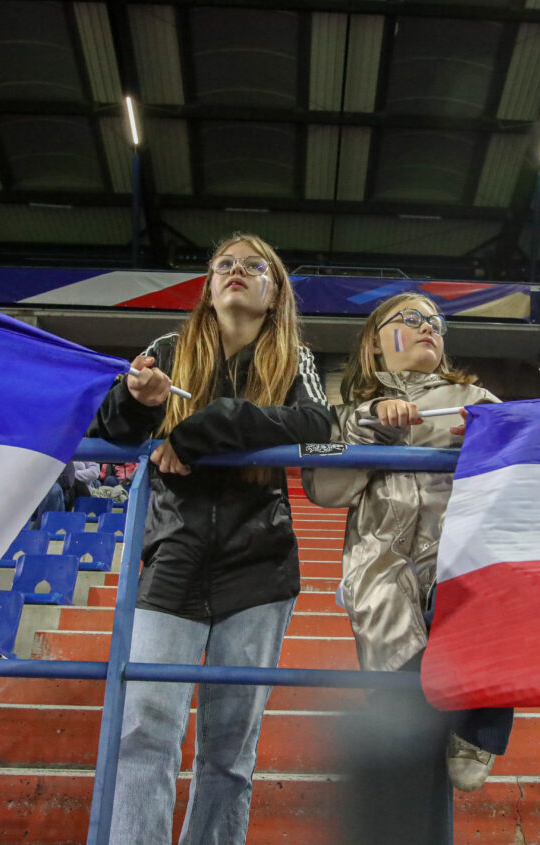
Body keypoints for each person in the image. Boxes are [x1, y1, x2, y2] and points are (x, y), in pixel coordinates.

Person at [90, 233, 333, 845]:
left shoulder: (293, 355)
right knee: (144, 732)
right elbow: (110, 426)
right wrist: (138, 402)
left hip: (259, 566)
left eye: (255, 266)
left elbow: (320, 428)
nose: (236, 272)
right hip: (172, 558)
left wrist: (217, 424)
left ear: (274, 291)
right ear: (209, 283)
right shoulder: (169, 348)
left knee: (229, 752)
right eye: (224, 264)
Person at [302, 292, 513, 796]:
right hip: (381, 567)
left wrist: (492, 441)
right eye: (412, 319)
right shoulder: (343, 414)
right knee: (403, 706)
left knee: (484, 607)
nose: (429, 329)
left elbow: (526, 468)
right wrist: (368, 430)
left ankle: (476, 730)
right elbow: (322, 487)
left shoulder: (480, 403)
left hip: (457, 558)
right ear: (375, 343)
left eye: (437, 322)